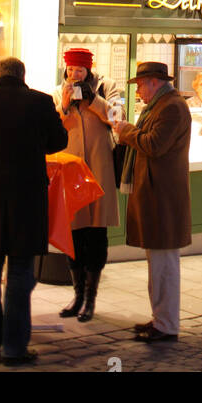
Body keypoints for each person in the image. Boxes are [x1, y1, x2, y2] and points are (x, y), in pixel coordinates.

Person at [0, 56, 67, 366]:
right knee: (20, 275)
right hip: (27, 201)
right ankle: (15, 349)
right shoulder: (41, 102)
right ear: (23, 76)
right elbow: (59, 140)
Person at [113, 61, 192, 344]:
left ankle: (167, 324)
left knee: (164, 265)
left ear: (155, 82)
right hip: (156, 194)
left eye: (141, 85)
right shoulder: (160, 105)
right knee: (157, 264)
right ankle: (161, 318)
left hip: (163, 198)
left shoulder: (171, 107)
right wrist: (132, 131)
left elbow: (154, 144)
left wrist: (126, 132)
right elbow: (148, 139)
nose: (139, 91)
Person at [54, 47, 120, 322]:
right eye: (70, 70)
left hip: (99, 169)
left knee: (96, 233)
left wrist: (94, 100)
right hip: (71, 171)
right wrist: (66, 105)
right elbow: (55, 126)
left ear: (88, 69)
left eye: (79, 70)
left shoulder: (107, 87)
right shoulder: (59, 91)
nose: (74, 74)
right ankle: (77, 295)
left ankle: (91, 299)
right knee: (74, 234)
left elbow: (117, 117)